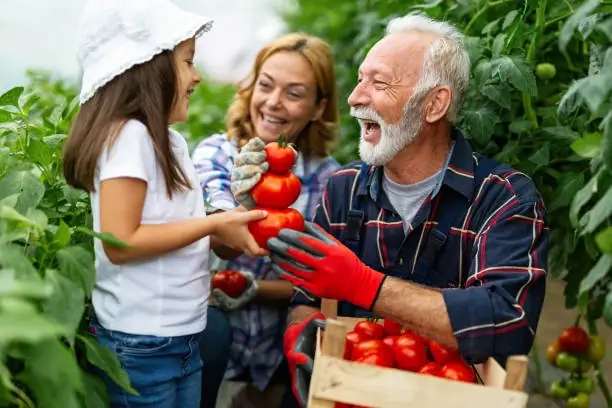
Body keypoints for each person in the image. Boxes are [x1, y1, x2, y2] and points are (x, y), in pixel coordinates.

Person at [234, 14, 550, 406]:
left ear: (434, 104)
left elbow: (508, 321)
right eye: (360, 79)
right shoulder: (343, 188)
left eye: (378, 82)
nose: (354, 97)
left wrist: (363, 285)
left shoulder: (503, 198)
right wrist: (302, 335)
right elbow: (307, 297)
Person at [62, 0, 269, 407]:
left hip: (177, 338)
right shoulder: (128, 137)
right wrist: (212, 226)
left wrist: (225, 222)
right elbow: (120, 242)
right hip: (142, 346)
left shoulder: (168, 142)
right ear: (147, 69)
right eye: (188, 62)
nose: (196, 76)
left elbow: (171, 226)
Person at [191, 32, 341, 407]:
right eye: (266, 85)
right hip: (214, 343)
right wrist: (243, 202)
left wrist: (256, 289)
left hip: (279, 351)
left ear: (318, 108)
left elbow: (326, 284)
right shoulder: (217, 155)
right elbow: (221, 234)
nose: (273, 103)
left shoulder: (329, 180)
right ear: (251, 87)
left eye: (294, 93)